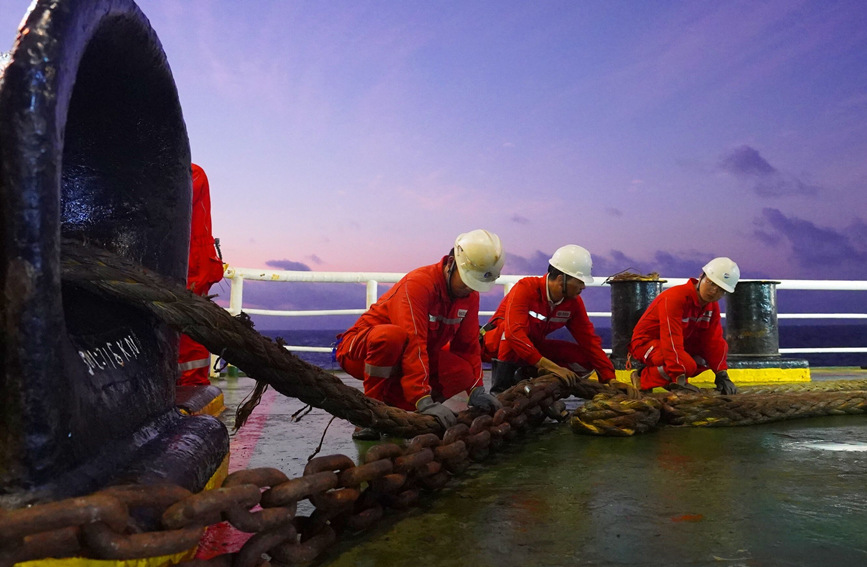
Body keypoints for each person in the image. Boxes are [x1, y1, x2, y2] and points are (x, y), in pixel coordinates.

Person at [336, 230, 506, 439]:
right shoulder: (418, 285)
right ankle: (370, 413)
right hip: (360, 353)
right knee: (391, 337)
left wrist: (476, 389)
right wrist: (422, 398)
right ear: (451, 263)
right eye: (466, 281)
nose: (468, 289)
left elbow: (468, 345)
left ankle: (399, 405)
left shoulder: (469, 294)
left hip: (403, 360)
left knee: (462, 373)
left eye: (474, 285)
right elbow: (413, 341)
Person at [482, 244, 636, 397]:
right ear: (561, 279)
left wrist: (610, 377)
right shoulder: (526, 289)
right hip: (498, 347)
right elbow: (514, 334)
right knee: (509, 334)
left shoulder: (573, 303)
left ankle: (533, 377)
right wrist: (552, 366)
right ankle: (501, 390)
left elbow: (589, 341)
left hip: (533, 350)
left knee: (585, 358)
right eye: (580, 281)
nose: (583, 286)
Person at [628, 257, 740, 395]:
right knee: (687, 365)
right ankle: (643, 377)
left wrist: (721, 373)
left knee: (707, 358)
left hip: (675, 343)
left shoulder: (711, 307)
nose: (713, 291)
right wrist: (679, 380)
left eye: (721, 289)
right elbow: (671, 338)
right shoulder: (675, 298)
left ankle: (664, 375)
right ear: (701, 277)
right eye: (711, 283)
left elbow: (714, 340)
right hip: (645, 343)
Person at [177, 163, 225, 386]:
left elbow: (171, 202)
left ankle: (192, 384)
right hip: (183, 259)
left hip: (192, 262)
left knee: (190, 327)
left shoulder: (191, 173)